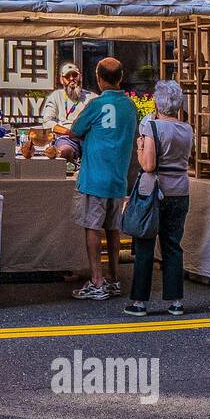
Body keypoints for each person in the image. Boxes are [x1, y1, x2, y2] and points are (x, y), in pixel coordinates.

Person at [62, 56, 137, 300]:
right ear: (121, 78)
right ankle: (115, 277)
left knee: (93, 228)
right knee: (113, 228)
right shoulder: (129, 106)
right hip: (118, 178)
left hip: (95, 177)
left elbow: (75, 130)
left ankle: (96, 280)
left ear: (99, 78)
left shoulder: (95, 105)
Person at [126, 80, 193, 317]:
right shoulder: (187, 128)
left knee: (145, 246)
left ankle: (140, 302)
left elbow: (149, 164)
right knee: (172, 245)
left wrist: (139, 148)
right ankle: (175, 301)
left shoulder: (152, 127)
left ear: (157, 102)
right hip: (180, 190)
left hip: (153, 190)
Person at [40, 63, 93, 163]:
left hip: (88, 138)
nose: (71, 79)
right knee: (65, 151)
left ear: (80, 77)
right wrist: (70, 132)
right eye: (67, 76)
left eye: (74, 75)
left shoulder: (92, 97)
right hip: (67, 138)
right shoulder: (56, 96)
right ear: (61, 79)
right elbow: (47, 122)